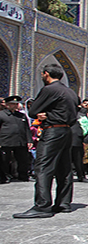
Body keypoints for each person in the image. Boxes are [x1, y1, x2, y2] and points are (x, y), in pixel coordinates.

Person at [13, 64, 79, 219]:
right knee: (64, 168)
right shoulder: (70, 92)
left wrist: (44, 115)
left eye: (43, 74)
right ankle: (64, 204)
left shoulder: (49, 89)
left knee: (43, 167)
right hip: (67, 131)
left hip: (53, 131)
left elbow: (33, 110)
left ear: (46, 74)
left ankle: (42, 206)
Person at [0, 95, 33, 182]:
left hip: (20, 141)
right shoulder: (2, 115)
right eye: (12, 104)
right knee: (4, 160)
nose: (15, 106)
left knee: (23, 160)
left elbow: (27, 129)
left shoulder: (21, 116)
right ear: (7, 105)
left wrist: (29, 140)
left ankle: (23, 176)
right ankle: (4, 176)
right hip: (6, 141)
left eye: (16, 104)